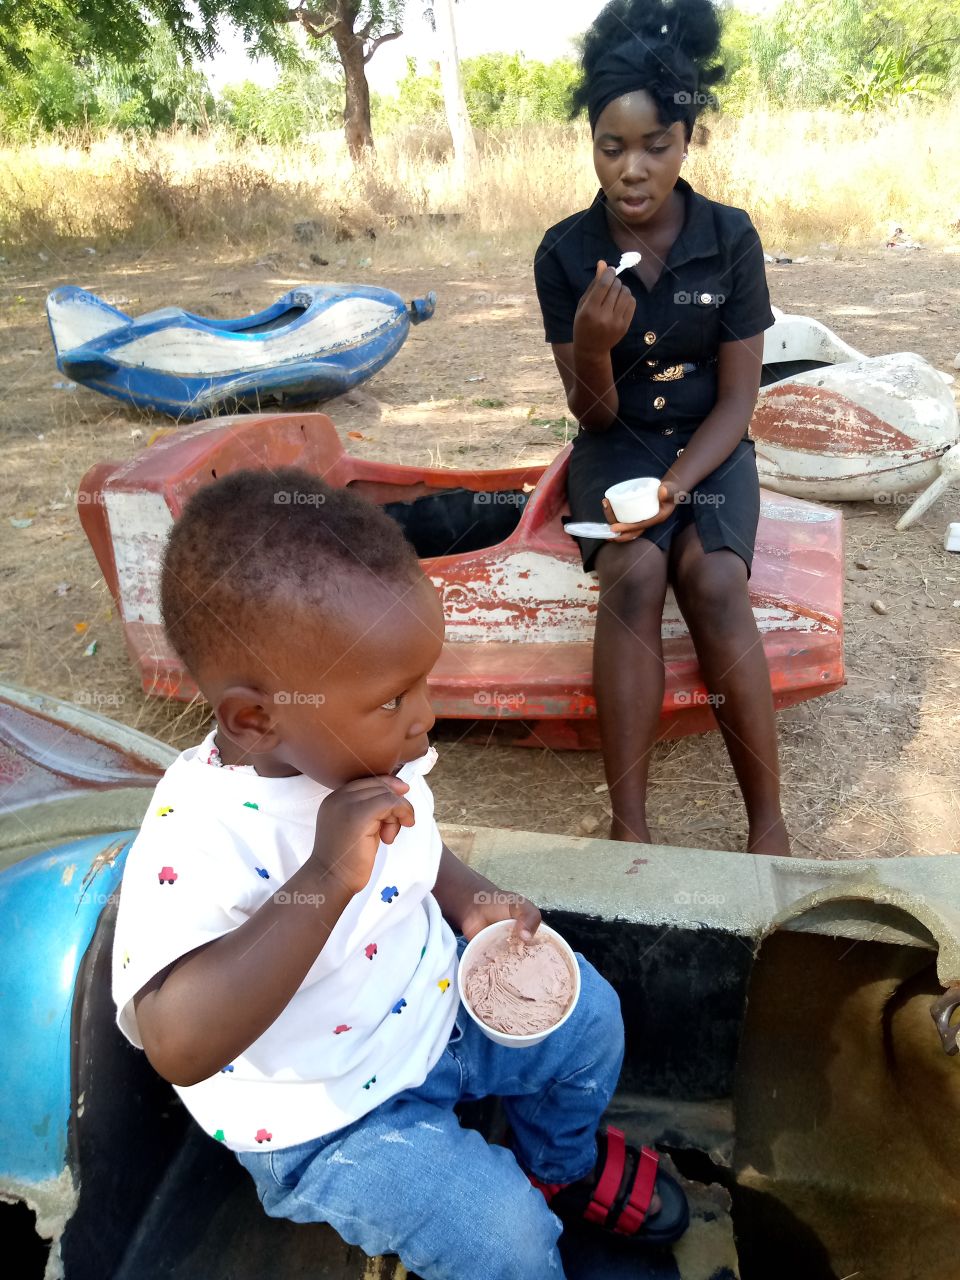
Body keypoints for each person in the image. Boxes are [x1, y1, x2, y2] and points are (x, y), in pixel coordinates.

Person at [111, 467, 689, 1280]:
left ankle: (558, 1167)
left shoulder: (363, 747)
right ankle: (517, 1210)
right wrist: (324, 877)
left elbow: (416, 850)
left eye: (424, 681)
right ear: (255, 717)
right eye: (394, 698)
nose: (424, 716)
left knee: (591, 1018)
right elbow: (176, 1042)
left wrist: (467, 897)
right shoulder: (196, 836)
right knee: (505, 1242)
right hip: (326, 1117)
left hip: (433, 1013)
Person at [534, 0, 790, 856]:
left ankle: (768, 825)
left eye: (656, 146)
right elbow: (592, 415)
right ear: (592, 145)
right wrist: (595, 349)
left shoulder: (730, 240)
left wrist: (679, 488)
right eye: (613, 147)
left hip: (709, 447)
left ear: (687, 141)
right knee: (637, 574)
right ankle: (629, 826)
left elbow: (737, 398)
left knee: (714, 581)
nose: (633, 170)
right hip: (616, 446)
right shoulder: (566, 255)